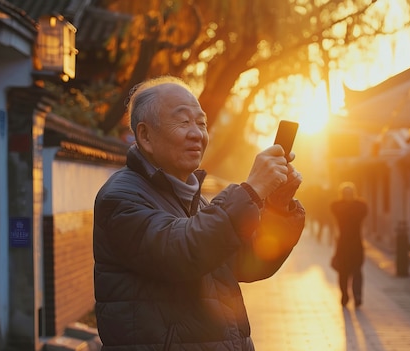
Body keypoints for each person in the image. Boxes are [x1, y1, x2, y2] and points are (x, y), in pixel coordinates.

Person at [93, 75, 305, 350]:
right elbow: (182, 251)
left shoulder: (189, 198)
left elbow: (248, 262)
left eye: (201, 123)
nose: (197, 133)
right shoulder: (121, 198)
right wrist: (250, 190)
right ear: (145, 136)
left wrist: (278, 206)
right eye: (183, 122)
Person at [330, 181, 368, 307]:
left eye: (350, 193)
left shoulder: (360, 206)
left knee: (357, 271)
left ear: (354, 193)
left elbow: (361, 213)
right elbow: (338, 212)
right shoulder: (337, 206)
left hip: (357, 243)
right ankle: (344, 295)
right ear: (341, 194)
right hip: (342, 244)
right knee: (343, 272)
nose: (348, 195)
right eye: (345, 193)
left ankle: (357, 296)